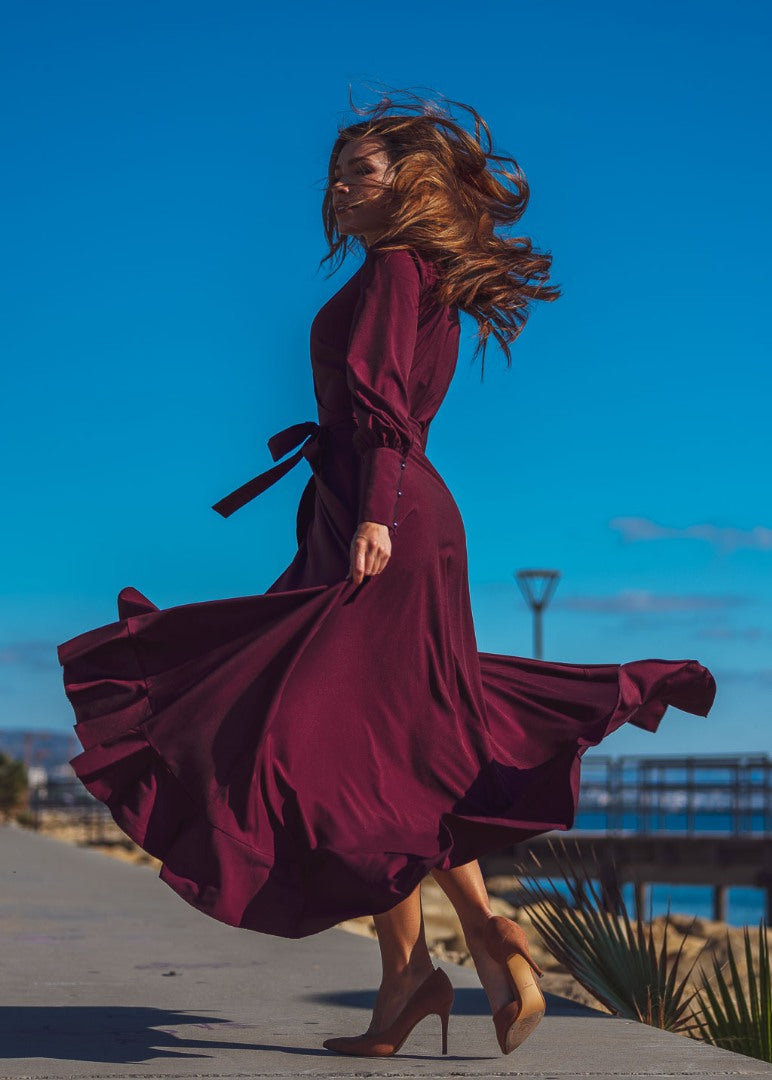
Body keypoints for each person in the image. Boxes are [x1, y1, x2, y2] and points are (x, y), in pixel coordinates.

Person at [56, 89, 716, 1059]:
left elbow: (381, 403)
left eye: (360, 170)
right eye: (335, 173)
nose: (338, 186)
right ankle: (431, 965)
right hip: (375, 505)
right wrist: (364, 506)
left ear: (409, 180)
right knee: (382, 745)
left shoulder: (397, 268)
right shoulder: (418, 272)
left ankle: (460, 949)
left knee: (339, 741)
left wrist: (372, 513)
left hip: (383, 508)